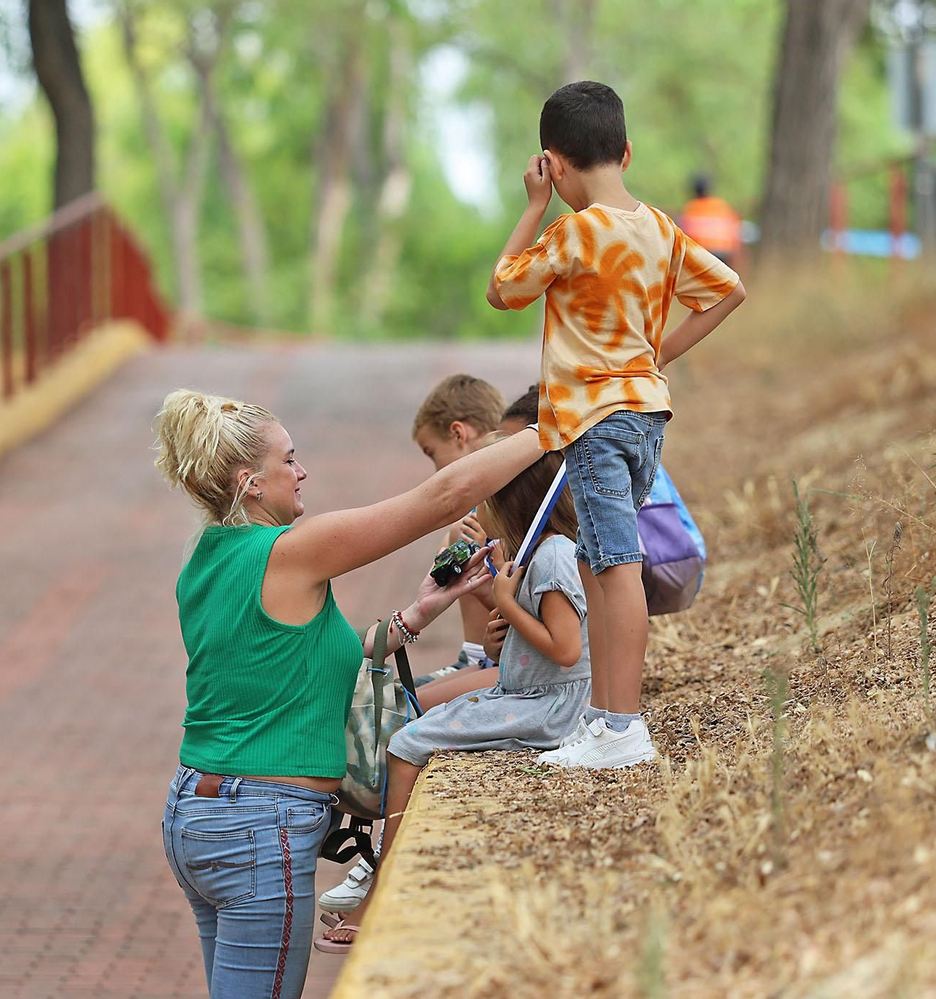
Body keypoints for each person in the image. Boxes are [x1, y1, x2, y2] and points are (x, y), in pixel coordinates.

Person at [154, 389, 541, 999]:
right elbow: (443, 498)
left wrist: (414, 617)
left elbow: (290, 663)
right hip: (258, 826)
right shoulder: (294, 550)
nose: (301, 472)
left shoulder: (205, 560)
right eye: (289, 459)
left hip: (196, 814)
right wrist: (565, 418)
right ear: (251, 483)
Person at [486, 80, 745, 770]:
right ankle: (604, 718)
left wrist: (534, 205)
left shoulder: (572, 232)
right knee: (599, 564)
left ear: (554, 163)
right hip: (644, 415)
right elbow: (729, 289)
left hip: (596, 421)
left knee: (614, 566)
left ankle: (623, 727)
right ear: (627, 151)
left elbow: (504, 286)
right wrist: (655, 356)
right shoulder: (659, 226)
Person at [318, 449, 589, 952]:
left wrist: (507, 601)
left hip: (548, 705)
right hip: (528, 691)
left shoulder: (552, 555)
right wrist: (496, 611)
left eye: (483, 499)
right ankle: (378, 875)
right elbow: (535, 639)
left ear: (509, 501)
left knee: (405, 743)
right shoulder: (536, 552)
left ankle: (382, 889)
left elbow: (568, 651)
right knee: (423, 719)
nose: (475, 511)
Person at [411, 374, 507, 678]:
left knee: (399, 705)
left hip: (494, 662)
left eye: (431, 453)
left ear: (457, 434)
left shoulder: (497, 509)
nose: (436, 469)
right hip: (486, 656)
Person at [677, 173, 745, 268]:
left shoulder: (691, 208)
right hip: (725, 252)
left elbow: (683, 236)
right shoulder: (722, 205)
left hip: (703, 253)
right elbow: (736, 233)